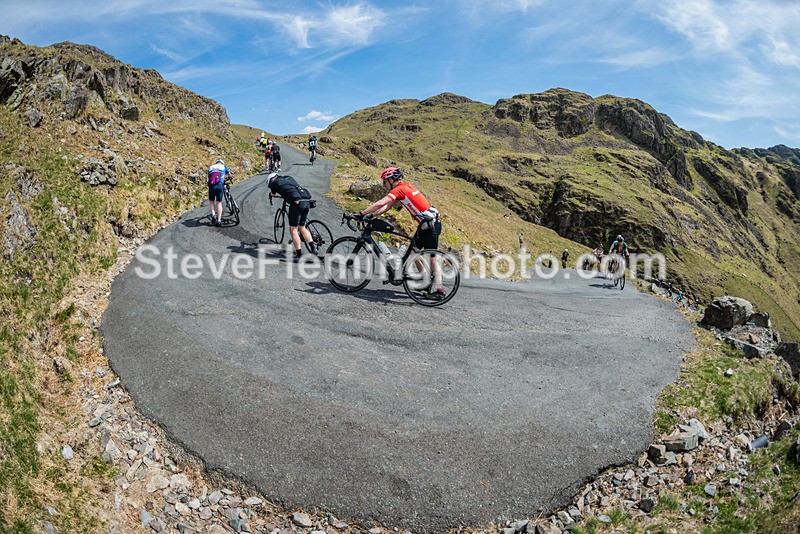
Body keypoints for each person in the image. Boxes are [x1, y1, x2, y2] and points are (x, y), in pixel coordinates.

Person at [355, 167, 445, 299]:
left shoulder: (400, 189)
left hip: (431, 226)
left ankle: (440, 290)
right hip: (425, 225)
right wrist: (371, 215)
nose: (384, 185)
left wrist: (362, 213)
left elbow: (381, 203)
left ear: (391, 180)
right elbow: (388, 206)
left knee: (432, 258)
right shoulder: (405, 187)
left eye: (385, 182)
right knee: (413, 252)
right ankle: (425, 281)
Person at [266, 172, 318, 262]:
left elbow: (273, 194)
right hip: (306, 200)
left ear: (270, 180)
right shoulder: (289, 177)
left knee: (293, 229)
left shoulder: (274, 183)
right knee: (302, 227)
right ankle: (313, 248)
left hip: (296, 202)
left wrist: (270, 195)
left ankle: (298, 255)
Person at [207, 158, 231, 227]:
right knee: (219, 203)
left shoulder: (211, 167)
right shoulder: (223, 167)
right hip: (220, 185)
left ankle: (213, 214)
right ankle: (219, 220)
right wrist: (230, 177)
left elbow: (209, 177)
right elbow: (229, 174)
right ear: (222, 163)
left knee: (211, 201)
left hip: (212, 185)